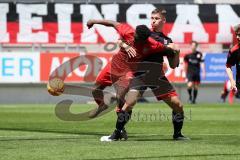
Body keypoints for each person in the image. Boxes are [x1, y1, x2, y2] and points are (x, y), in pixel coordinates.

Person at [100, 8, 189, 141]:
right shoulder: (144, 34)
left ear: (163, 20)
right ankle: (116, 134)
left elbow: (173, 65)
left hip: (157, 76)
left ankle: (177, 135)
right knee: (129, 103)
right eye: (152, 18)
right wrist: (124, 45)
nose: (153, 21)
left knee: (178, 106)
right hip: (141, 74)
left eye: (156, 18)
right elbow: (121, 40)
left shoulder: (167, 40)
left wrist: (177, 52)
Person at [225, 24, 240, 100]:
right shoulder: (234, 51)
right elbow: (228, 66)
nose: (237, 37)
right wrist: (232, 80)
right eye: (236, 35)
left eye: (239, 35)